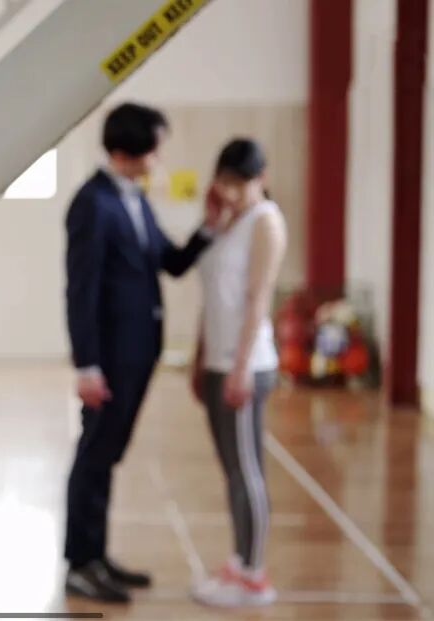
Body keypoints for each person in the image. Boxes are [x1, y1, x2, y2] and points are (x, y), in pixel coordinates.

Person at [64, 102, 222, 603]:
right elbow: (81, 290)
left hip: (137, 352)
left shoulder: (133, 199)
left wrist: (209, 227)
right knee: (95, 455)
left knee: (106, 455)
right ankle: (80, 564)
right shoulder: (92, 203)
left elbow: (169, 262)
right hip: (109, 356)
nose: (159, 157)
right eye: (155, 147)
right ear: (127, 150)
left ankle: (96, 555)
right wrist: (87, 365)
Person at [190, 138, 285, 608]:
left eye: (239, 183)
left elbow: (257, 299)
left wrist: (241, 366)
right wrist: (200, 358)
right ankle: (239, 560)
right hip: (218, 361)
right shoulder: (229, 222)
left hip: (245, 364)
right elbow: (213, 298)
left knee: (247, 472)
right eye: (224, 181)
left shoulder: (266, 222)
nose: (230, 191)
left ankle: (254, 575)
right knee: (232, 470)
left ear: (260, 179)